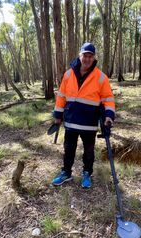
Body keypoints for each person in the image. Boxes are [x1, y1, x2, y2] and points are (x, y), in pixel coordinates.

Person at [52, 42, 115, 188]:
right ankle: (66, 173)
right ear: (80, 55)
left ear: (94, 58)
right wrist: (58, 115)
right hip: (71, 121)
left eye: (90, 56)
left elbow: (108, 99)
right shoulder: (68, 75)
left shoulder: (101, 77)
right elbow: (61, 97)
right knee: (68, 149)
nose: (87, 59)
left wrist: (109, 115)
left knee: (89, 151)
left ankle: (87, 173)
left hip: (89, 123)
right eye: (85, 55)